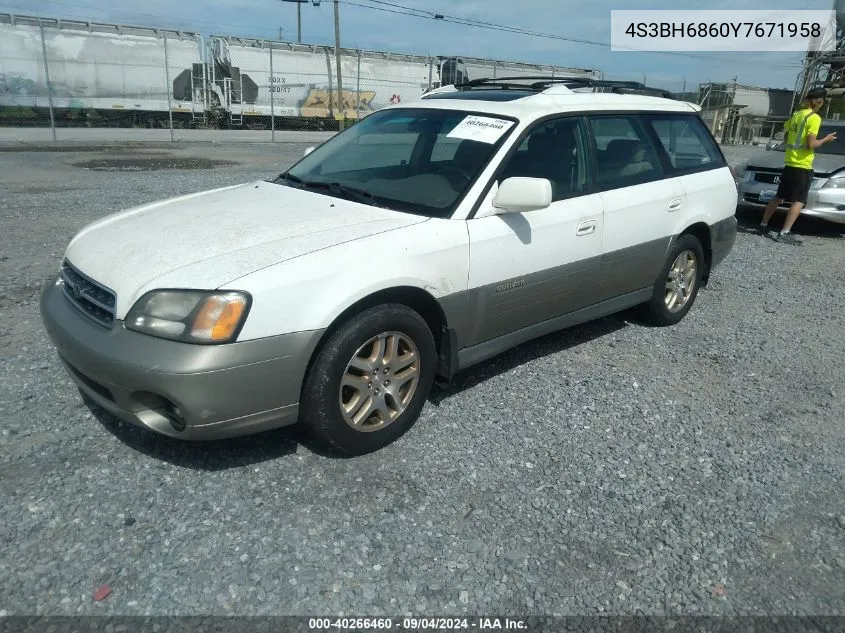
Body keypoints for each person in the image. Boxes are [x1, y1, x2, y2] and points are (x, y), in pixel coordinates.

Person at [756, 86, 838, 245]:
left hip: (789, 163)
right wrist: (826, 140)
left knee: (779, 196)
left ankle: (763, 225)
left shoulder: (796, 115)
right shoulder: (814, 118)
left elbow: (786, 138)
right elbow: (811, 144)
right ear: (820, 101)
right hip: (802, 165)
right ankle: (785, 232)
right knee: (799, 200)